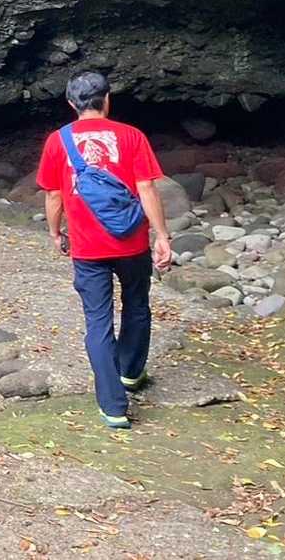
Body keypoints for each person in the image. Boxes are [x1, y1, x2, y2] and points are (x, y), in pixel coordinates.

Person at [36, 70, 172, 429]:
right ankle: (131, 372)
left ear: (71, 103)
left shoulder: (58, 141)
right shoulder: (132, 136)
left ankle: (113, 407)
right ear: (107, 98)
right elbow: (147, 189)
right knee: (137, 305)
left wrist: (54, 232)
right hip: (131, 241)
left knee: (98, 322)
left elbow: (54, 195)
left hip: (87, 246)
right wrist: (162, 236)